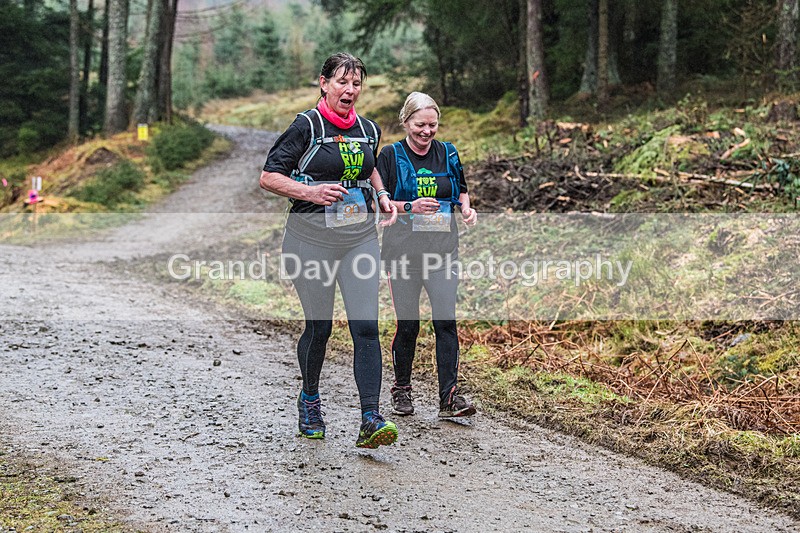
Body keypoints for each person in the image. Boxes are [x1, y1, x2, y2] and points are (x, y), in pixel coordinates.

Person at [259, 53, 399, 449]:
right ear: (324, 84)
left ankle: (370, 417)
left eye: (356, 84)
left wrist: (383, 194)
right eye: (342, 82)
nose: (350, 90)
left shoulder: (369, 129)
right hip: (310, 240)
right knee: (319, 327)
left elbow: (368, 166)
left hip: (359, 238)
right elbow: (269, 176)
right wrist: (310, 192)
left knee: (366, 327)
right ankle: (310, 400)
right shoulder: (306, 126)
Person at [376, 91, 478, 419]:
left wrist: (465, 207)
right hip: (403, 253)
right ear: (406, 122)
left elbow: (460, 188)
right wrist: (410, 207)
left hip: (442, 252)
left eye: (432, 125)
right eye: (420, 124)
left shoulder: (448, 153)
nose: (427, 131)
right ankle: (402, 389)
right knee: (409, 325)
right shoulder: (390, 156)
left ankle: (449, 398)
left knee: (445, 322)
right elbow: (381, 201)